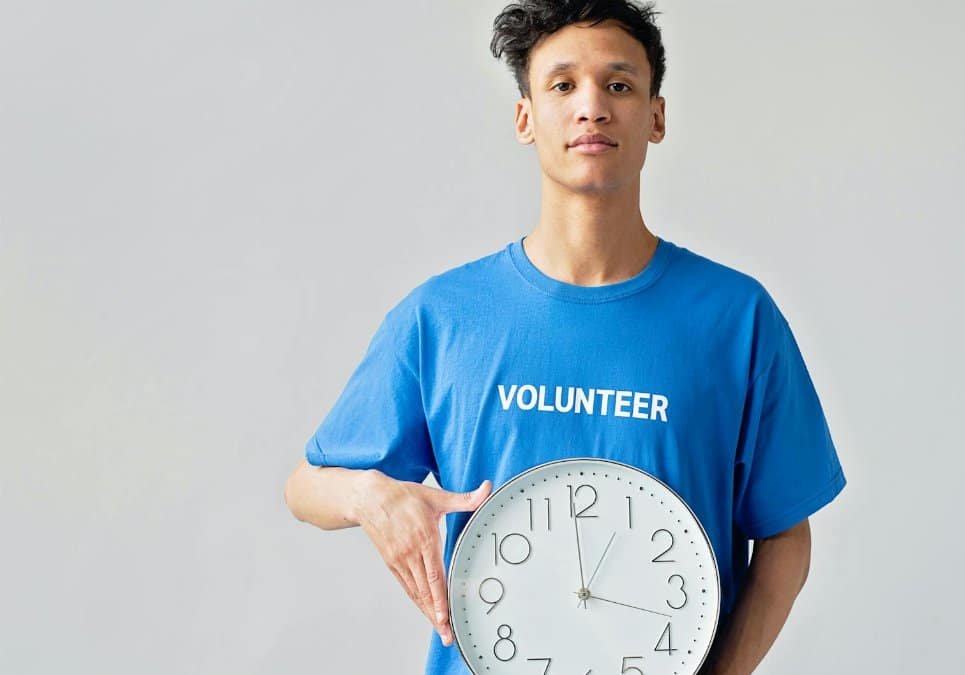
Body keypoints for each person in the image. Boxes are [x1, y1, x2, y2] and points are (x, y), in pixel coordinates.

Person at [283, 1, 847, 673]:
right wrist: (370, 496)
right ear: (525, 117)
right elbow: (306, 486)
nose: (592, 107)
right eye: (562, 85)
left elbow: (786, 531)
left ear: (656, 116)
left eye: (618, 84)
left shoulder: (736, 317)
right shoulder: (444, 316)